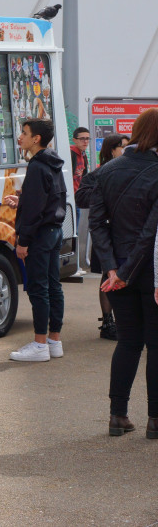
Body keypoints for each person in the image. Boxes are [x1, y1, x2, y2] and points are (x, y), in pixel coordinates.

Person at [88, 108, 158, 438]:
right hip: (151, 271)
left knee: (128, 342)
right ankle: (155, 421)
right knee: (155, 345)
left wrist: (113, 268)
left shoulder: (107, 171)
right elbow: (150, 231)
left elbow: (97, 224)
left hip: (117, 271)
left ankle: (118, 415)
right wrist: (127, 270)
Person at [3, 118, 67, 362]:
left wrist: (23, 241)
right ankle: (53, 340)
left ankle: (40, 344)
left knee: (39, 289)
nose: (20, 136)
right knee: (53, 286)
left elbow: (34, 211)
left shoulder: (38, 166)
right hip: (53, 231)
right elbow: (51, 199)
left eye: (24, 132)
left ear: (36, 138)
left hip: (40, 235)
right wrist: (24, 200)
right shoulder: (53, 162)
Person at [76, 133, 128, 340]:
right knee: (108, 275)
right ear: (112, 150)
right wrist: (106, 192)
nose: (126, 150)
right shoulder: (97, 174)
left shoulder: (133, 170)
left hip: (128, 232)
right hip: (105, 232)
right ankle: (108, 322)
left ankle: (127, 320)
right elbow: (81, 198)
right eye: (123, 146)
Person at [70, 126, 91, 276]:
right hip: (69, 200)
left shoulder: (83, 155)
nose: (85, 141)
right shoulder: (71, 153)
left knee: (76, 232)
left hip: (78, 197)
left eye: (87, 138)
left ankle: (75, 266)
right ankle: (73, 267)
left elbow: (85, 176)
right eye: (82, 138)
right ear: (74, 140)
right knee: (73, 233)